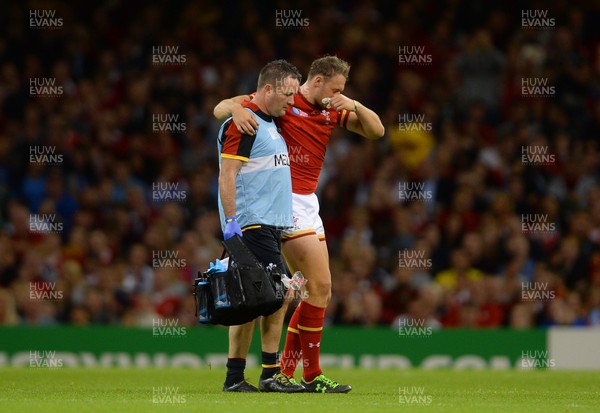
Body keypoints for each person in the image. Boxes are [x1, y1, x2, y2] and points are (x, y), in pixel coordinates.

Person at [214, 55, 385, 393]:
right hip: (282, 199)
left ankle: (293, 373)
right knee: (293, 289)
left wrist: (351, 103)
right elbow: (223, 106)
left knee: (317, 290)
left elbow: (377, 130)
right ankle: (293, 373)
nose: (337, 95)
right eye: (335, 88)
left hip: (310, 202)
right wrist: (236, 109)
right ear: (318, 80)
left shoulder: (331, 110)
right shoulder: (281, 100)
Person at [216, 59, 304, 393]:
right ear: (267, 89)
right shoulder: (245, 124)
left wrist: (231, 106)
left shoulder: (265, 121)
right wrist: (233, 223)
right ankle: (270, 373)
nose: (291, 102)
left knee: (248, 300)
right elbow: (228, 174)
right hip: (251, 224)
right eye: (287, 94)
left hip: (265, 226)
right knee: (282, 293)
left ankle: (234, 378)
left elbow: (222, 106)